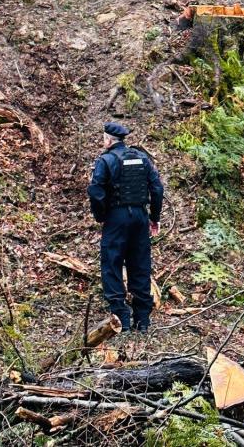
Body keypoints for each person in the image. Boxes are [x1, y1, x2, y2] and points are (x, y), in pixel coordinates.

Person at [88, 123, 163, 333]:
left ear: (109, 140)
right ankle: (143, 321)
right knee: (140, 265)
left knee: (112, 265)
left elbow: (95, 191)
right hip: (140, 217)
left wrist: (101, 216)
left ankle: (122, 321)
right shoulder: (142, 158)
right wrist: (154, 217)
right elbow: (157, 189)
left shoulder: (106, 160)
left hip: (116, 218)